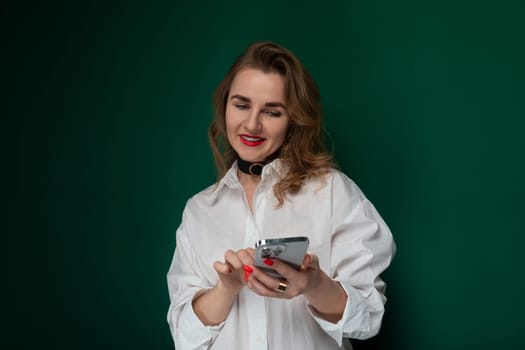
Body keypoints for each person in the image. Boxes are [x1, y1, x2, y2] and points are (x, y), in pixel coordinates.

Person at [166, 41, 396, 350]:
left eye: (272, 112)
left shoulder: (332, 192)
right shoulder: (199, 210)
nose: (252, 124)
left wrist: (313, 285)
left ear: (293, 120)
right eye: (242, 104)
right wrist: (226, 287)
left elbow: (368, 319)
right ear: (225, 106)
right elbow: (184, 336)